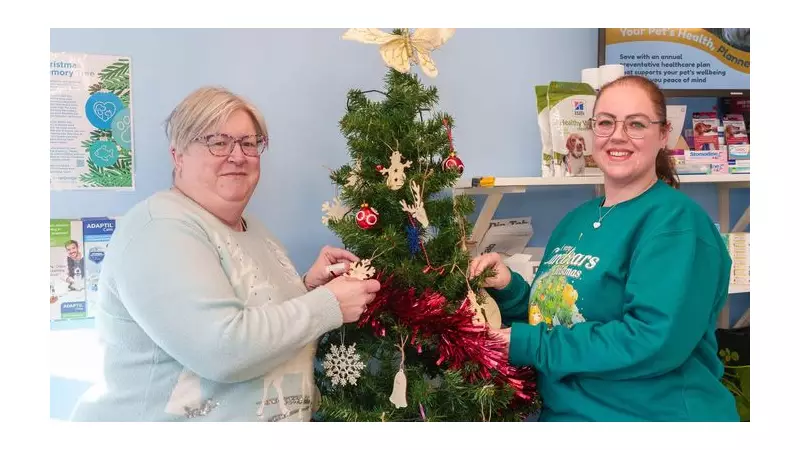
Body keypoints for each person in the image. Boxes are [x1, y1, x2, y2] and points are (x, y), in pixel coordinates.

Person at [71, 86, 380, 422]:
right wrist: (329, 304)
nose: (238, 156)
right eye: (218, 142)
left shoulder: (255, 230)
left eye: (249, 143)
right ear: (178, 155)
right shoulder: (159, 228)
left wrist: (309, 287)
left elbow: (262, 319)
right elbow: (224, 350)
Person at [470, 75, 739, 422]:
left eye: (636, 124)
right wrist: (510, 290)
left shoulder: (677, 224)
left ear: (663, 133)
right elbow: (558, 317)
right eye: (606, 122)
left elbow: (651, 341)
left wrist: (529, 344)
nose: (618, 135)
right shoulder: (576, 221)